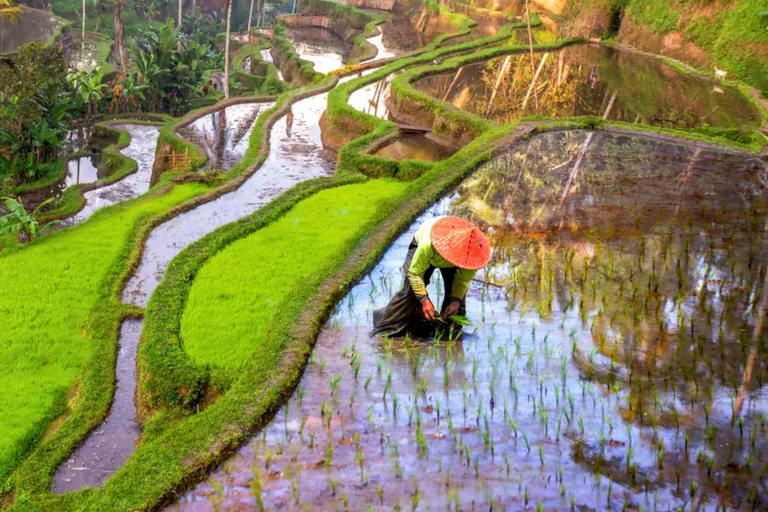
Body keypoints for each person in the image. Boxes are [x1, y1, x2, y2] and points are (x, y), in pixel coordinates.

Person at [371, 216, 491, 338]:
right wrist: (424, 300)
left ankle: (447, 336)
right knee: (411, 291)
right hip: (429, 246)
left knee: (457, 305)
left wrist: (455, 301)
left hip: (455, 250)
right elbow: (415, 273)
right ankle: (383, 333)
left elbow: (462, 281)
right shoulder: (428, 244)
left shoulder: (472, 257)